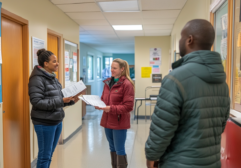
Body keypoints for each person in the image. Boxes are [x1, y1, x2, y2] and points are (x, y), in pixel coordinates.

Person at [145, 19, 230, 168]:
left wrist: (152, 156)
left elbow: (162, 129)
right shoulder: (222, 82)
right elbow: (220, 126)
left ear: (189, 40)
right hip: (212, 162)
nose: (180, 41)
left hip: (179, 162)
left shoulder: (175, 79)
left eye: (181, 37)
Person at [28, 49, 79, 168]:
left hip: (56, 121)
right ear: (46, 63)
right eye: (54, 61)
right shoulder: (37, 79)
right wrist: (61, 101)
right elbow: (36, 102)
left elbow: (58, 99)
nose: (57, 63)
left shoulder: (53, 78)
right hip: (44, 122)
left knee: (49, 154)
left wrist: (71, 101)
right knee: (44, 156)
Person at [96, 58, 135, 168]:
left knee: (119, 149)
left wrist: (110, 108)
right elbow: (104, 99)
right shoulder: (108, 83)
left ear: (122, 69)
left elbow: (128, 106)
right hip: (107, 120)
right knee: (112, 148)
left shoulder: (127, 84)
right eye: (111, 68)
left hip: (119, 121)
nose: (111, 70)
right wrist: (99, 104)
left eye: (114, 68)